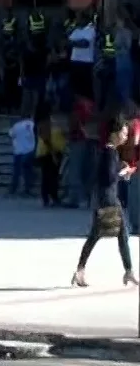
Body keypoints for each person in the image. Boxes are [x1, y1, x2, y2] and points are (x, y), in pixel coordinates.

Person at [72, 120, 137, 288]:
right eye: (123, 132)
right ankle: (127, 272)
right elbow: (108, 178)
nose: (125, 135)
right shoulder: (110, 152)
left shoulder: (108, 151)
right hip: (109, 199)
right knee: (114, 234)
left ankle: (127, 271)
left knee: (104, 235)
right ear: (114, 134)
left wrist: (118, 168)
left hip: (103, 197)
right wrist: (123, 173)